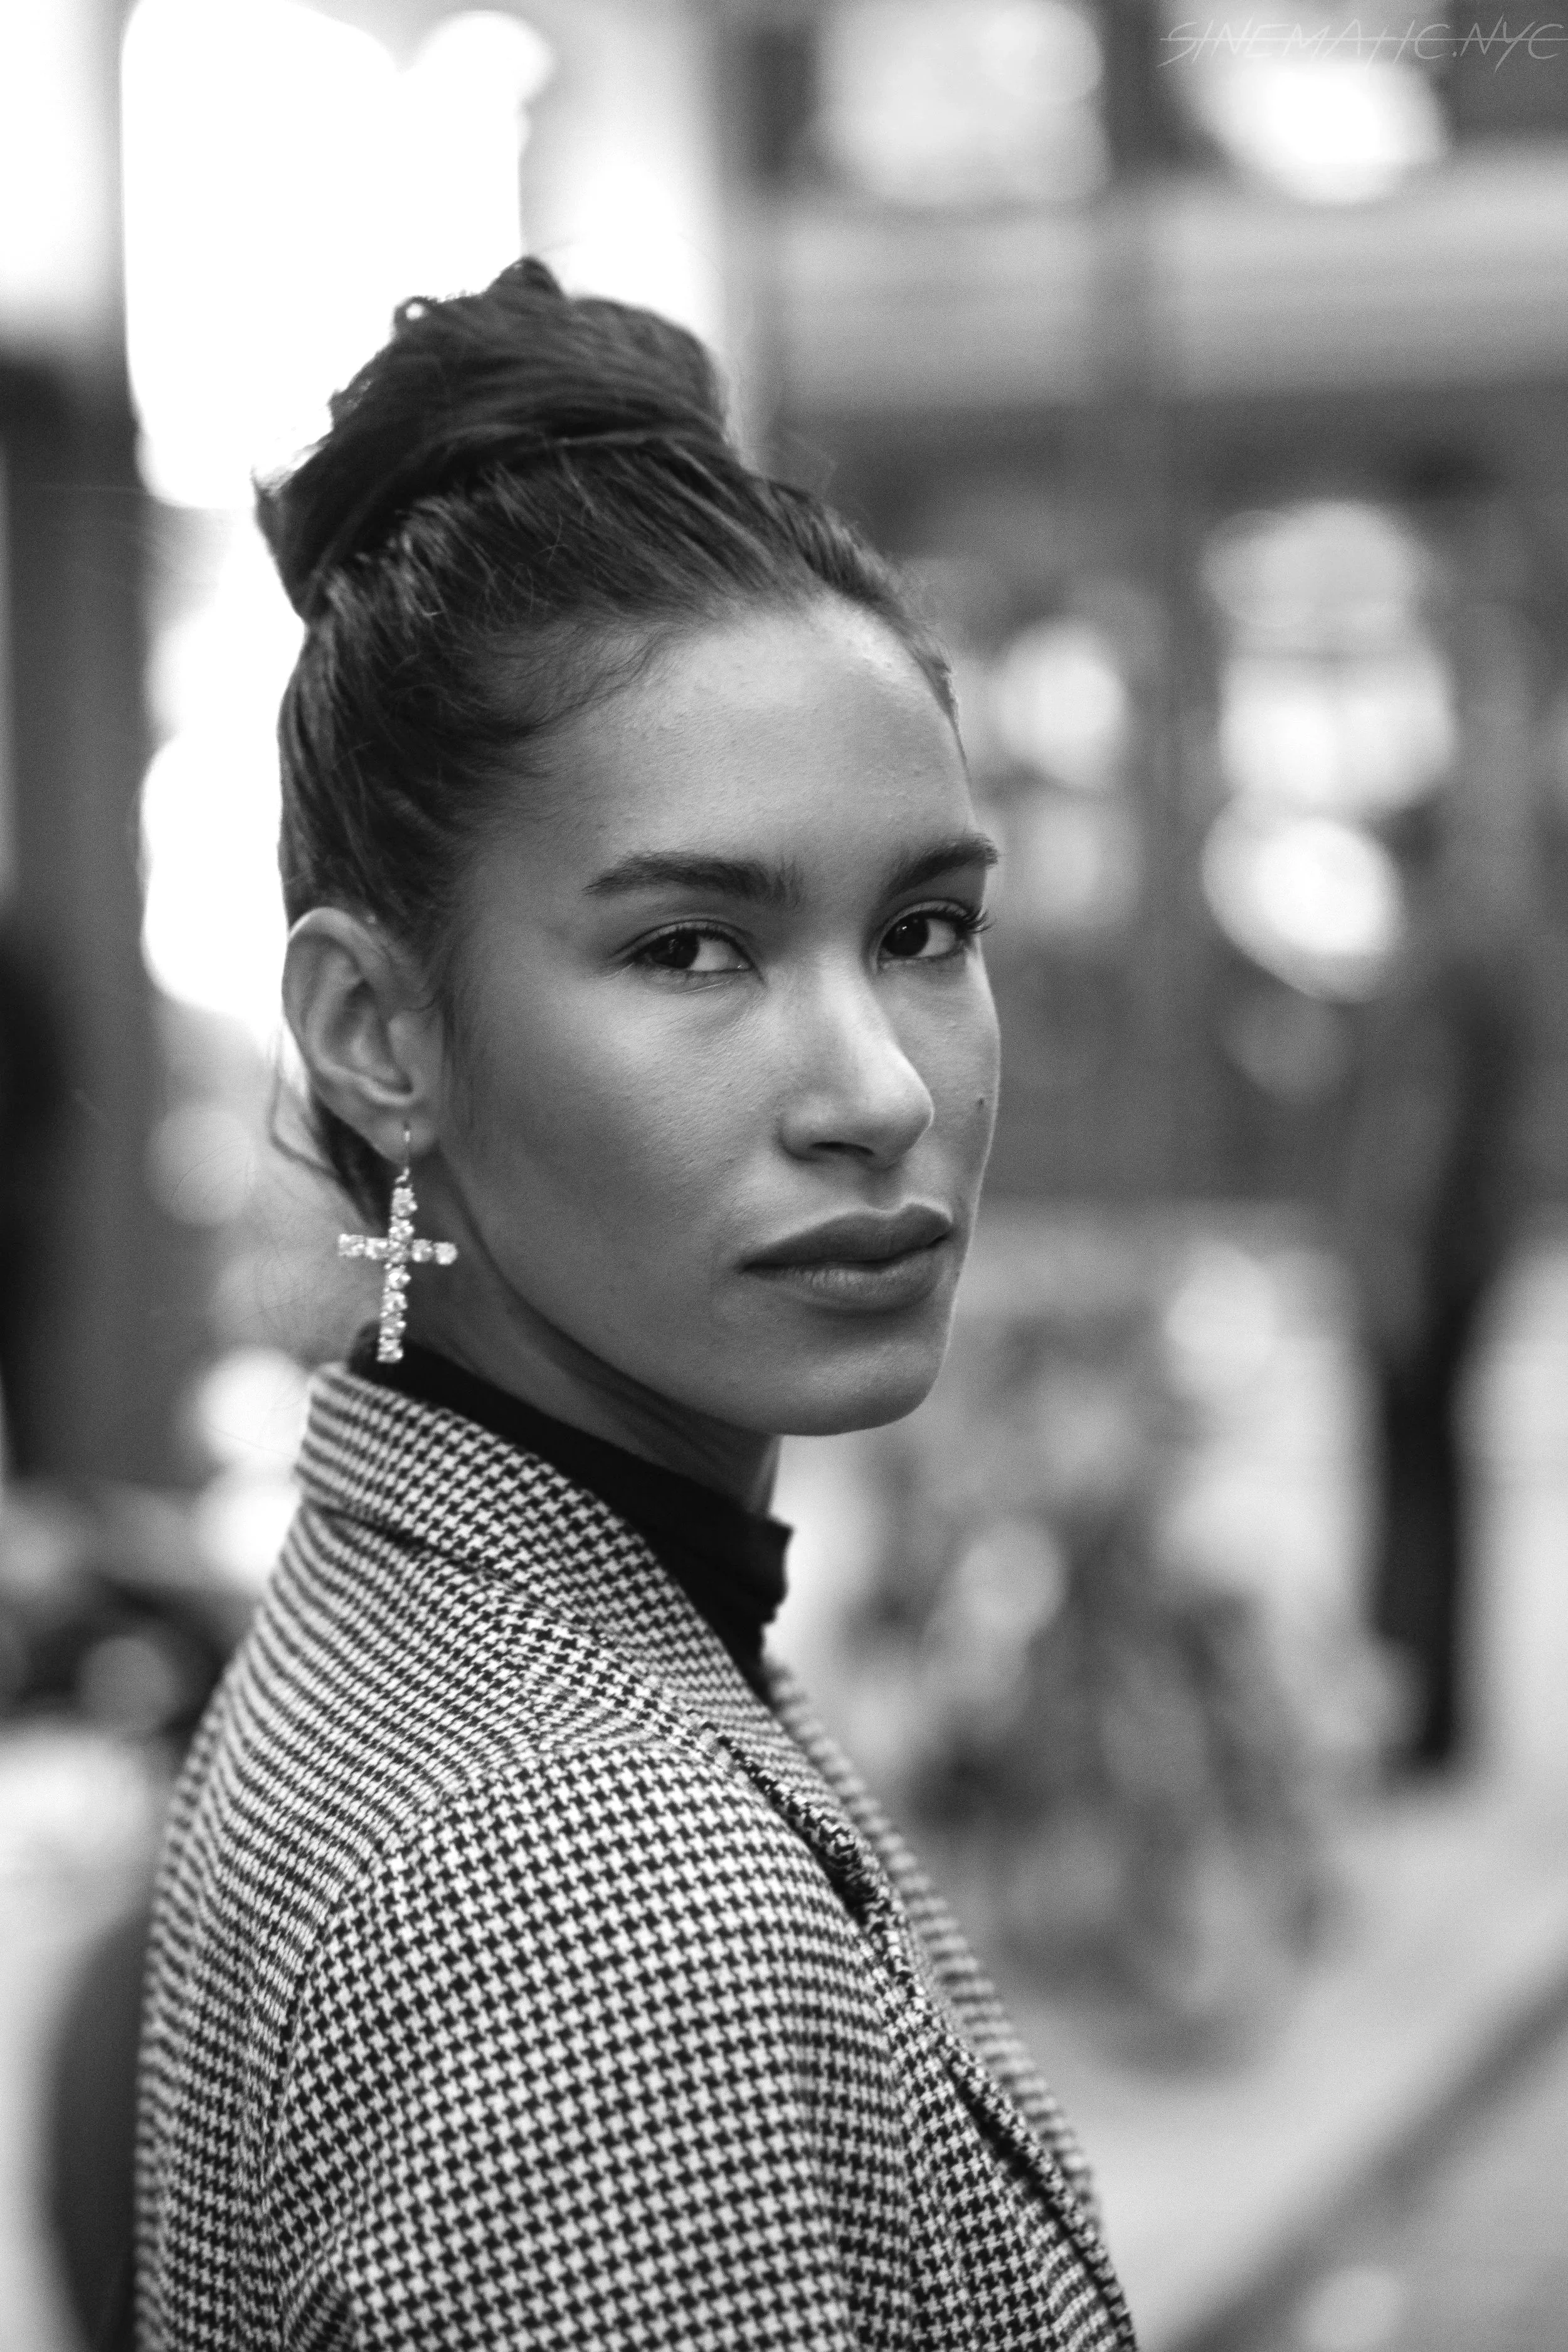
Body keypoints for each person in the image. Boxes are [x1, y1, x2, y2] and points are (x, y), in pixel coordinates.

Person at [135, 258, 1135, 2351]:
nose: (877, 1089)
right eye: (695, 945)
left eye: (928, 925)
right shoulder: (577, 1895)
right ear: (375, 1028)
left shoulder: (451, 1630)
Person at [1340, 794, 1526, 1774]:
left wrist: (1393, 1266)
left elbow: (1422, 1127)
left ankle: (1413, 1718)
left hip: (1425, 1263)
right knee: (1437, 1483)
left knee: (1413, 1489)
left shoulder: (1438, 961)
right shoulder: (1474, 951)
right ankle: (1434, 1715)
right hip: (1459, 1256)